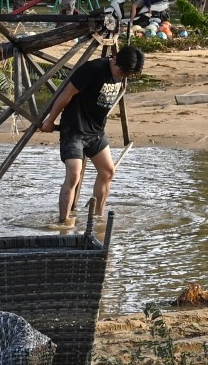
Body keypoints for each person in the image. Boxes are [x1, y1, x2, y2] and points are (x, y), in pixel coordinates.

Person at [40, 44, 145, 228]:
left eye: (126, 75)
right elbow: (66, 94)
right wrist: (50, 120)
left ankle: (98, 218)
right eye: (121, 72)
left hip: (95, 132)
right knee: (74, 175)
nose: (121, 76)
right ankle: (64, 223)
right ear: (114, 60)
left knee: (108, 171)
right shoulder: (92, 69)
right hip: (74, 129)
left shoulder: (122, 74)